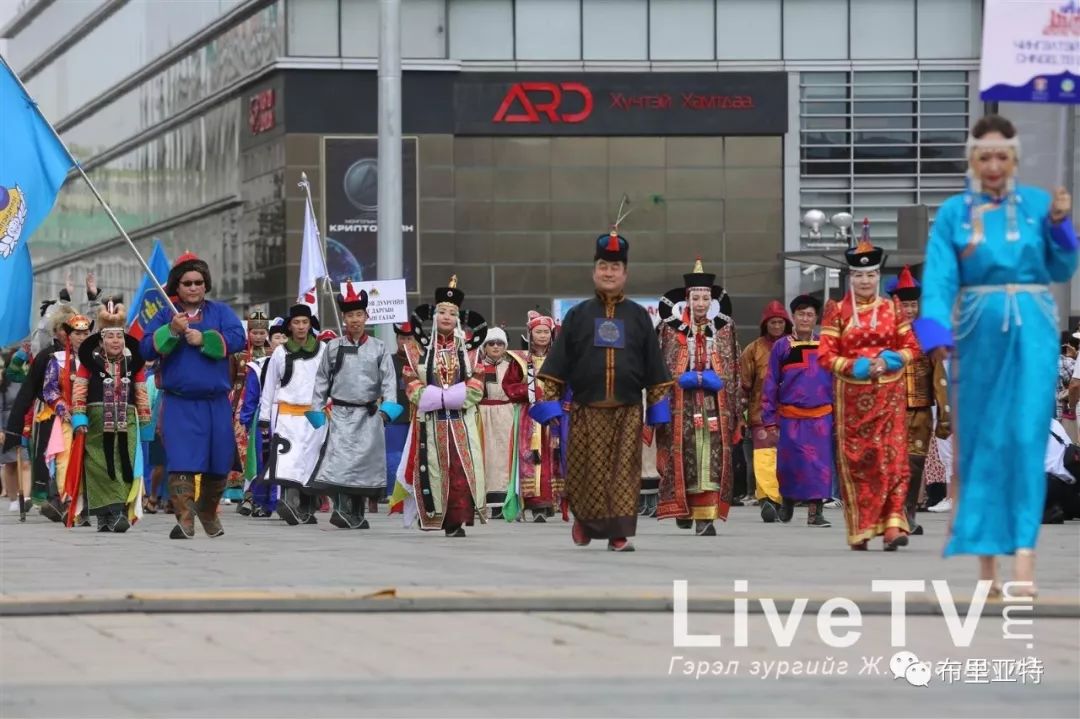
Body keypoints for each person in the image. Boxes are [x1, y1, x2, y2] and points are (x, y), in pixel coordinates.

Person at [914, 114, 1078, 595]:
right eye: (982, 155)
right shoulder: (954, 213)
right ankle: (987, 563)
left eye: (1000, 155)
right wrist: (933, 329)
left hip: (1034, 325)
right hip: (977, 326)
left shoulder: (1037, 204)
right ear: (972, 159)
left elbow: (1061, 266)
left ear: (1014, 158)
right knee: (982, 444)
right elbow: (941, 276)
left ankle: (1024, 555)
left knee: (1027, 441)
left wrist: (1063, 227)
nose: (992, 164)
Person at [531, 228, 672, 552]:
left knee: (624, 475)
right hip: (585, 410)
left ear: (625, 273)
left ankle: (617, 534)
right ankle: (584, 521)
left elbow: (655, 368)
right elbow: (556, 366)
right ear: (594, 271)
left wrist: (658, 411)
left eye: (615, 268)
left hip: (627, 411)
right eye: (603, 267)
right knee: (586, 473)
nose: (609, 273)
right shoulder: (578, 315)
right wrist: (550, 407)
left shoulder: (638, 317)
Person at [818, 219, 921, 551]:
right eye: (859, 275)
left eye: (871, 275)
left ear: (878, 277)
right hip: (852, 399)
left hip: (889, 396)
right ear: (851, 278)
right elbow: (825, 355)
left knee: (893, 459)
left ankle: (893, 524)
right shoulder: (837, 311)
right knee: (863, 464)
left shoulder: (893, 309)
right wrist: (859, 366)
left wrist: (887, 360)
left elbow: (912, 348)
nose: (865, 280)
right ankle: (863, 528)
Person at [141, 252, 247, 539]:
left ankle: (208, 511)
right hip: (179, 402)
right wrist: (171, 332)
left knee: (220, 461)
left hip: (215, 402)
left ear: (205, 284)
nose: (193, 287)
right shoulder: (165, 315)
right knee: (183, 460)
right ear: (177, 286)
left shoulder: (221, 312)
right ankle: (185, 519)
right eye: (187, 282)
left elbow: (239, 337)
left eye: (198, 282)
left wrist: (206, 339)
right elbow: (146, 349)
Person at [656, 259, 742, 536]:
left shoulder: (724, 329)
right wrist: (682, 375)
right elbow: (663, 365)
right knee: (683, 454)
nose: (701, 303)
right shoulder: (670, 330)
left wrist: (717, 377)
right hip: (682, 404)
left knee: (712, 456)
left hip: (714, 405)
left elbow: (733, 366)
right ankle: (683, 508)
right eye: (696, 297)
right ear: (687, 299)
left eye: (706, 297)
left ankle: (706, 517)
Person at [397, 276, 488, 537]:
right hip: (431, 423)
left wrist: (457, 397)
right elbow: (410, 380)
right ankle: (436, 514)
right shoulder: (417, 351)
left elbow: (477, 380)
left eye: (451, 313)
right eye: (442, 312)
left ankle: (456, 521)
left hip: (461, 421)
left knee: (459, 468)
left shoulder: (471, 351)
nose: (446, 317)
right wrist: (431, 397)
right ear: (433, 316)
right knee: (434, 469)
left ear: (459, 319)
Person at [307, 282, 402, 530]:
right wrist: (317, 409)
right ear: (344, 317)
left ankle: (356, 513)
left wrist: (387, 410)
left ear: (366, 316)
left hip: (370, 415)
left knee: (364, 466)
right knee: (340, 464)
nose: (355, 320)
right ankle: (342, 510)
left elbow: (389, 381)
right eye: (350, 315)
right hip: (339, 414)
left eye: (359, 314)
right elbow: (321, 381)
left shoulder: (379, 348)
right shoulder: (333, 347)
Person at [70, 300, 152, 533]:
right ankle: (106, 516)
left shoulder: (133, 364)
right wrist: (79, 417)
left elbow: (141, 393)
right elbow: (80, 391)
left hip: (127, 420)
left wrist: (145, 423)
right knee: (99, 465)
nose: (115, 341)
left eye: (119, 337)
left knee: (122, 464)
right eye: (110, 337)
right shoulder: (89, 364)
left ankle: (116, 513)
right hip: (96, 422)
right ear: (101, 340)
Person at [886, 266, 952, 536]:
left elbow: (940, 377)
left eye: (913, 304)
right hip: (890, 411)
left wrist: (946, 414)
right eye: (905, 304)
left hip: (921, 411)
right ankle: (891, 514)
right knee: (891, 465)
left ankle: (908, 513)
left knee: (914, 465)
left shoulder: (929, 331)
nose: (909, 309)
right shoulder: (883, 334)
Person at [761, 295, 833, 528]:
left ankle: (816, 513)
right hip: (791, 416)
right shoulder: (782, 346)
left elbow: (836, 380)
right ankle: (788, 500)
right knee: (790, 464)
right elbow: (771, 383)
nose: (805, 318)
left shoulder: (825, 345)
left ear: (816, 318)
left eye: (810, 314)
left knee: (820, 466)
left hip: (821, 416)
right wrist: (769, 418)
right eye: (801, 314)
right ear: (793, 317)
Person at [260, 303, 327, 526]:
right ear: (290, 325)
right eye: (296, 322)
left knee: (312, 461)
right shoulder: (280, 352)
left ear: (310, 325)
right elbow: (269, 387)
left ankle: (307, 509)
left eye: (304, 322)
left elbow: (330, 381)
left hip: (315, 415)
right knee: (287, 461)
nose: (300, 326)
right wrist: (265, 417)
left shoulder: (323, 350)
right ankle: (289, 503)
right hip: (288, 414)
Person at [739, 300, 792, 521]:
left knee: (785, 458)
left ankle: (780, 501)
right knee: (763, 458)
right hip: (760, 412)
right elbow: (743, 385)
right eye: (773, 322)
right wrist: (739, 417)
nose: (777, 326)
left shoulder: (794, 345)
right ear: (765, 324)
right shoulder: (753, 349)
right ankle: (767, 500)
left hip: (790, 412)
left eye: (780, 322)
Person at [43, 312, 94, 525]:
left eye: (85, 332)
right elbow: (50, 389)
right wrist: (64, 410)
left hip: (94, 417)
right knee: (65, 462)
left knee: (92, 462)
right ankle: (72, 504)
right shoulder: (58, 360)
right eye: (77, 333)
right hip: (67, 418)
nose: (82, 337)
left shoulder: (98, 358)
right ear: (68, 335)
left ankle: (90, 505)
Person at [237, 322, 288, 518]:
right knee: (262, 460)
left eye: (285, 337)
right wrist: (248, 421)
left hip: (289, 415)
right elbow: (251, 395)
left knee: (285, 460)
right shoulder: (258, 366)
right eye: (277, 337)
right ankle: (260, 501)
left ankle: (284, 501)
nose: (281, 341)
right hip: (266, 417)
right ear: (270, 340)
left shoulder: (296, 362)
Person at [477, 327, 529, 519]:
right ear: (485, 346)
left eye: (499, 343)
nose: (496, 347)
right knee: (486, 458)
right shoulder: (477, 366)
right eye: (491, 343)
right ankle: (485, 502)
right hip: (482, 414)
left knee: (506, 458)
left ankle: (505, 503)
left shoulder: (512, 365)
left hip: (507, 414)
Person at [517, 310, 562, 521]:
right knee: (532, 457)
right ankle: (535, 504)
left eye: (546, 331)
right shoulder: (520, 359)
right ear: (530, 334)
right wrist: (528, 391)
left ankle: (553, 500)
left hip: (554, 414)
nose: (542, 336)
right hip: (532, 415)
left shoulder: (560, 358)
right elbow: (510, 386)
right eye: (538, 332)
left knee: (554, 455)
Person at [231, 310, 271, 511]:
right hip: (240, 406)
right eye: (254, 332)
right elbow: (229, 381)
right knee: (244, 451)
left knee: (264, 452)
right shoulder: (239, 355)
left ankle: (260, 494)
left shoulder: (274, 355)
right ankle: (245, 493)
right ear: (248, 333)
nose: (258, 336)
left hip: (265, 407)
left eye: (262, 333)